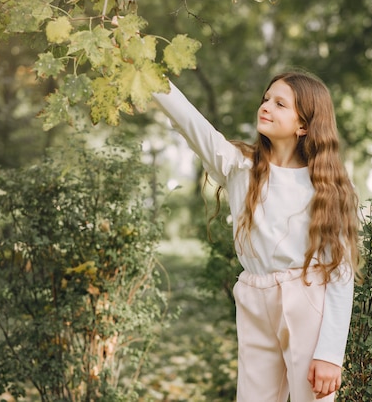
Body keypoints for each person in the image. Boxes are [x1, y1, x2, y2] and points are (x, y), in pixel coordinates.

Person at [153, 70, 360, 401]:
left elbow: (341, 271)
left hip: (305, 297)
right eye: (266, 99)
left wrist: (330, 354)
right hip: (253, 294)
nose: (266, 107)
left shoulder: (326, 185)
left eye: (280, 104)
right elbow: (191, 123)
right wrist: (144, 69)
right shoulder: (239, 166)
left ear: (303, 125)